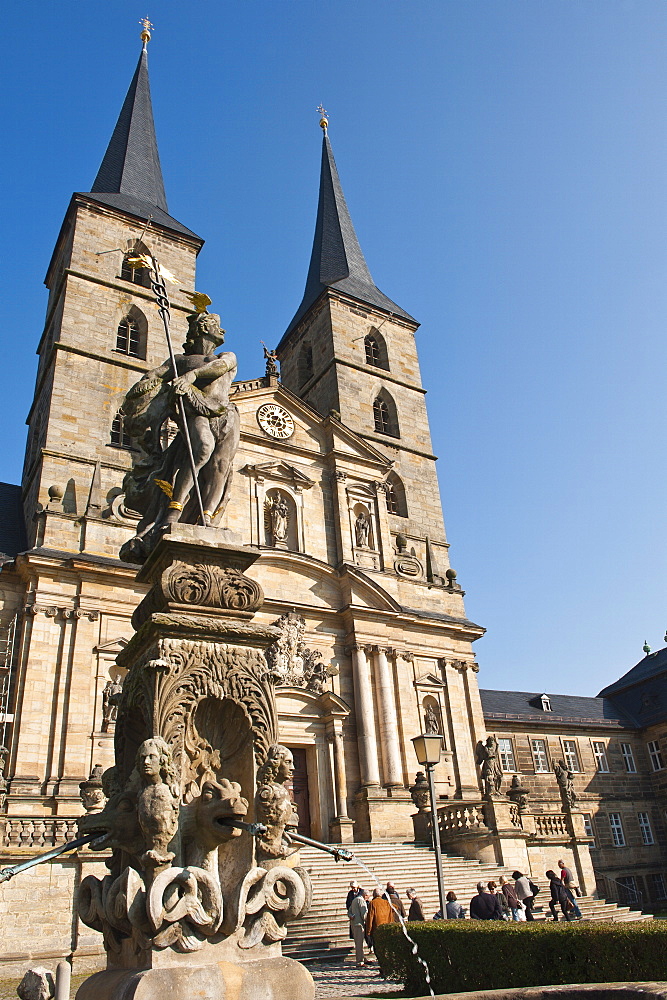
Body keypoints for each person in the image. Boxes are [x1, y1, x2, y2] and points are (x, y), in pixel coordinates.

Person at [366, 888, 394, 977]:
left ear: (374, 895)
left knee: (379, 951)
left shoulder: (372, 903)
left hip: (377, 930)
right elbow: (394, 908)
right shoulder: (386, 903)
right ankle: (389, 969)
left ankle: (383, 969)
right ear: (381, 895)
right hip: (387, 929)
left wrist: (368, 931)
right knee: (386, 950)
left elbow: (370, 918)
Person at [348, 889, 370, 967]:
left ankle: (362, 958)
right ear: (365, 895)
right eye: (368, 896)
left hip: (354, 924)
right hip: (359, 924)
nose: (369, 898)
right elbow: (364, 914)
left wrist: (351, 916)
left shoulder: (355, 899)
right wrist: (369, 922)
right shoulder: (361, 901)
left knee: (358, 943)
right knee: (359, 944)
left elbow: (349, 911)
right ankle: (360, 961)